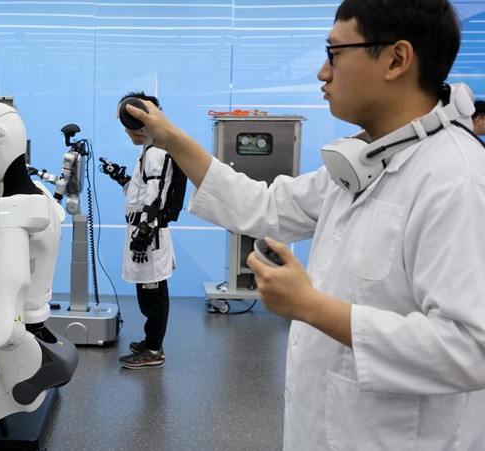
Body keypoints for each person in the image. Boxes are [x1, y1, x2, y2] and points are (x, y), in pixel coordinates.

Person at [125, 0, 485, 449]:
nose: (322, 72)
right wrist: (172, 138)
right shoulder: (368, 159)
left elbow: (471, 348)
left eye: (334, 54)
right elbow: (264, 205)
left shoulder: (456, 179)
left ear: (397, 59)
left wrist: (311, 306)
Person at [104, 91, 176, 370]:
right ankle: (150, 342)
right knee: (147, 293)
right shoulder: (148, 152)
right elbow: (140, 193)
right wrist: (121, 177)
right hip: (143, 231)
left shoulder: (156, 153)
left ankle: (154, 350)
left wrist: (144, 232)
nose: (128, 130)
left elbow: (156, 198)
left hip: (149, 236)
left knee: (154, 293)